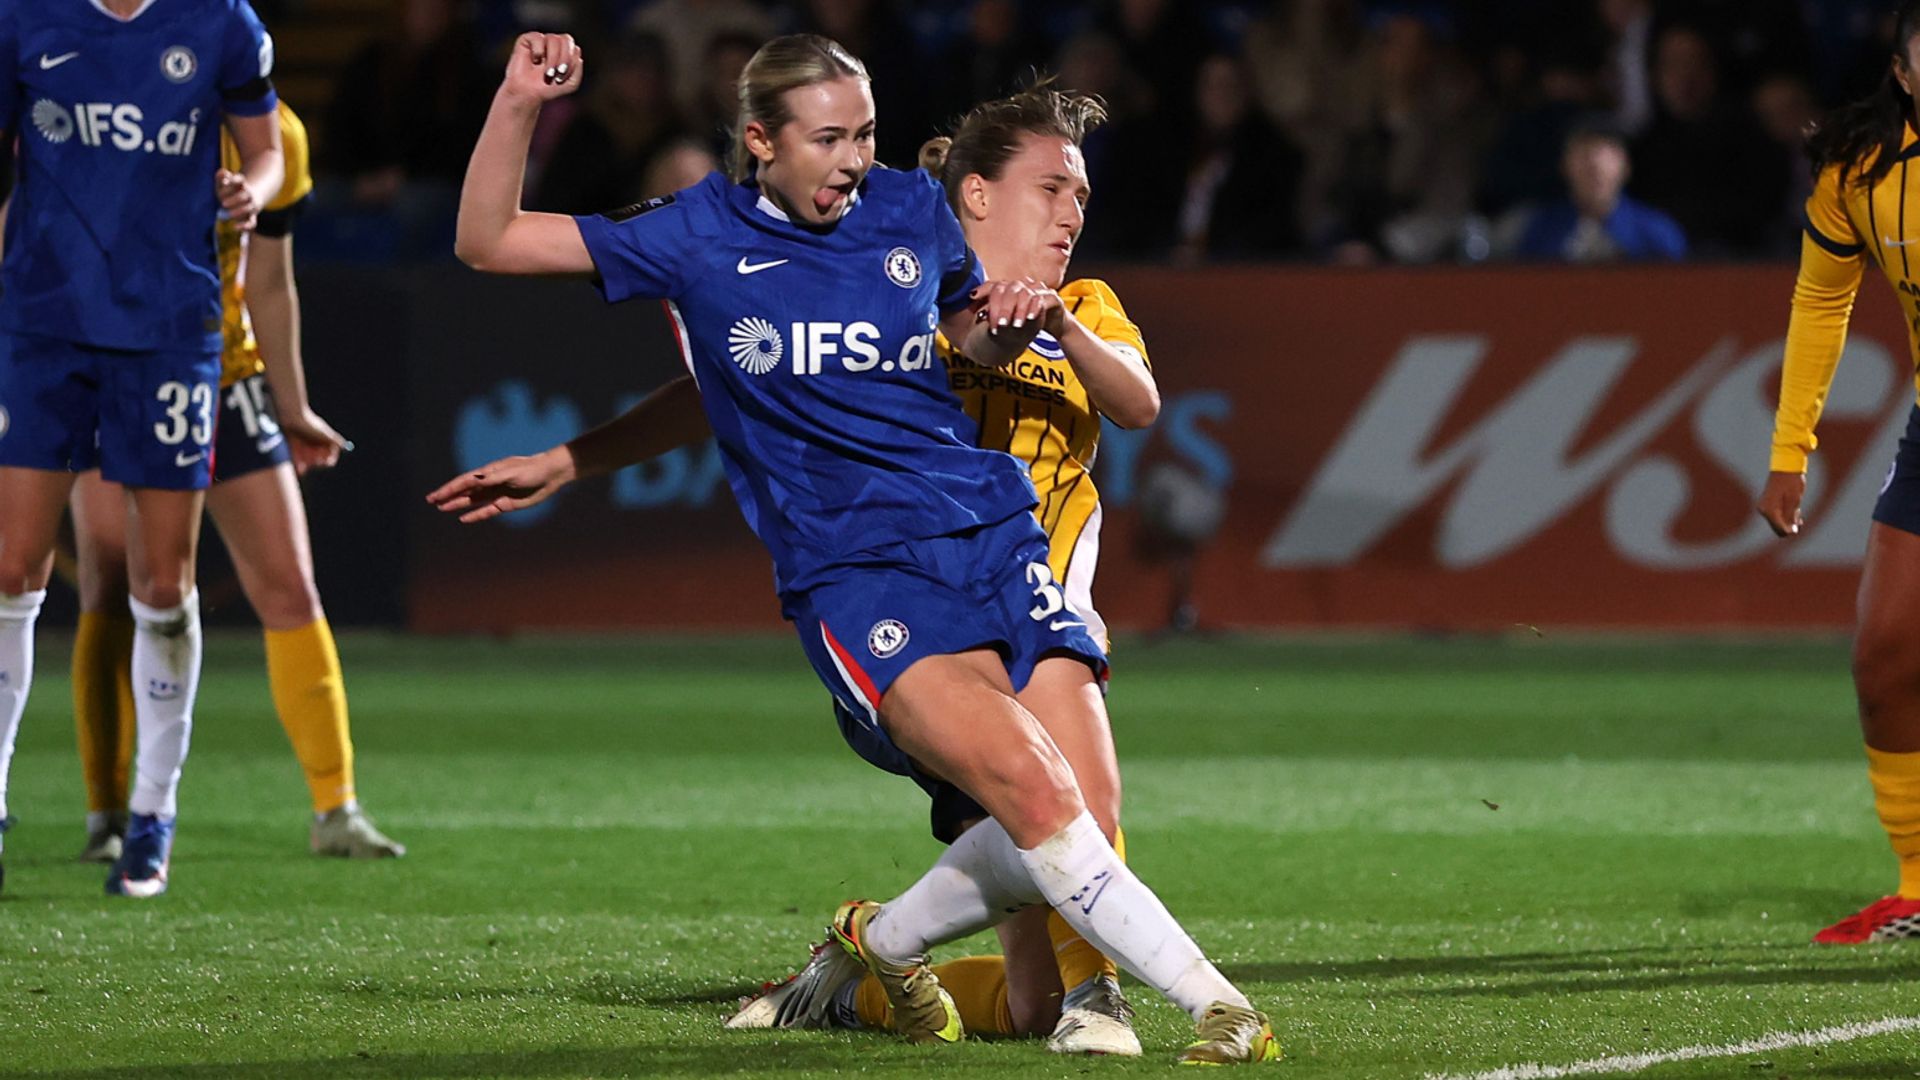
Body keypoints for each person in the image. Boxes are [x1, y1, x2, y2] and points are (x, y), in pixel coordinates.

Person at [436, 31, 1279, 1063]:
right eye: (829, 138)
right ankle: (1202, 1008)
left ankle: (878, 955)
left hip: (992, 537)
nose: (854, 160)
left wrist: (1022, 326)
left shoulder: (912, 212)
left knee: (1076, 824)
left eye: (867, 134)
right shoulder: (698, 235)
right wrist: (520, 100)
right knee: (1040, 801)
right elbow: (497, 246)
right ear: (761, 140)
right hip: (864, 575)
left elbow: (983, 339)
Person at [67, 102, 405, 865]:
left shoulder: (279, 133)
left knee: (289, 584)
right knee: (114, 580)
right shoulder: (113, 107)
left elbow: (271, 281)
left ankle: (337, 808)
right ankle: (107, 813)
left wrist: (292, 405)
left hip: (225, 375)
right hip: (114, 371)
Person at [0, 0, 285, 898]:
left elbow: (269, 151)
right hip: (42, 325)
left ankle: (152, 815)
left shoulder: (221, 22)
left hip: (168, 327)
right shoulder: (24, 19)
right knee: (12, 568)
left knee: (162, 582)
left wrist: (253, 188)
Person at [1757, 0, 1920, 945]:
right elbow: (1822, 303)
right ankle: (1918, 884)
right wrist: (1791, 450)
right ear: (1902, 74)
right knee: (1884, 656)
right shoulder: (1861, 173)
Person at [1512, 122, 1687, 262]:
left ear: (1626, 167)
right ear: (1564, 167)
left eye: (1606, 155)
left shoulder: (1657, 232)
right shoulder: (1541, 230)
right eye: (1583, 154)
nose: (1594, 166)